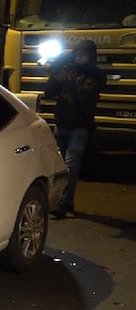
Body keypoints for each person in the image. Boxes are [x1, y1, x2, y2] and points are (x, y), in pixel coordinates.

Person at [44, 39, 106, 218]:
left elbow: (86, 95)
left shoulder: (95, 75)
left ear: (90, 56)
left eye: (82, 54)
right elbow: (49, 92)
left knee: (70, 166)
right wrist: (55, 76)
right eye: (77, 54)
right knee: (57, 165)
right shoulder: (69, 70)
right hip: (62, 124)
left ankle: (64, 202)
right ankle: (58, 200)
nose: (78, 57)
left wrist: (67, 79)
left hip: (79, 127)